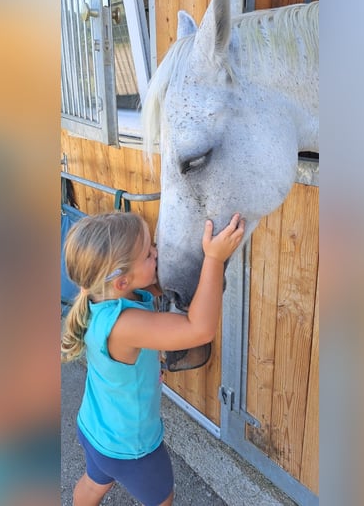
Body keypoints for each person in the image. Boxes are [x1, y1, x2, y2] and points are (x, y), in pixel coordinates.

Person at [61, 211, 245, 506]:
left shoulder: (100, 297)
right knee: (162, 499)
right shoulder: (124, 325)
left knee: (94, 484)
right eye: (149, 253)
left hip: (95, 428)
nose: (157, 253)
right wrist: (214, 260)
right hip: (130, 448)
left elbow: (157, 284)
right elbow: (199, 330)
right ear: (121, 281)